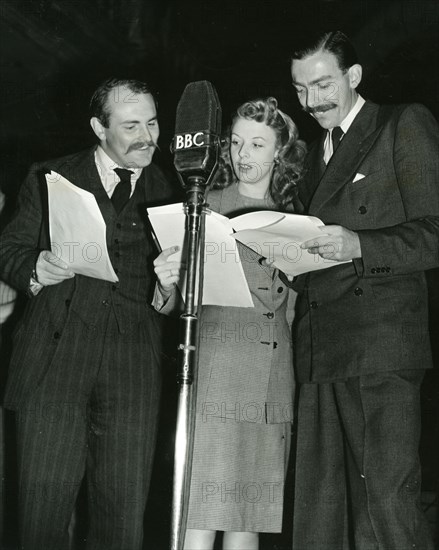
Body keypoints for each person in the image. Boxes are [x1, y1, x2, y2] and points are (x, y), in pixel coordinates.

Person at [0, 77, 177, 550]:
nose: (148, 136)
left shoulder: (173, 190)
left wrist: (168, 286)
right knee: (42, 517)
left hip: (133, 366)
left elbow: (175, 299)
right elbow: (10, 248)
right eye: (132, 125)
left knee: (122, 522)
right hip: (55, 361)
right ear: (99, 127)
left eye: (154, 122)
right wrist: (33, 267)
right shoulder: (50, 174)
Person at [289, 30, 439, 549]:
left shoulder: (402, 124)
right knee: (323, 510)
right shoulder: (311, 155)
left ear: (354, 77)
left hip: (379, 343)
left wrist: (360, 244)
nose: (312, 102)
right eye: (301, 90)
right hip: (319, 348)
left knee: (387, 503)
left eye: (324, 85)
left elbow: (434, 231)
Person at [154, 97, 306, 550]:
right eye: (237, 143)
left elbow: (296, 312)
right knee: (200, 514)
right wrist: (166, 281)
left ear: (280, 151)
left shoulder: (300, 215)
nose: (244, 155)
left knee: (249, 520)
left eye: (258, 144)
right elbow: (175, 297)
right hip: (217, 375)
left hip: (273, 384)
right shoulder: (204, 208)